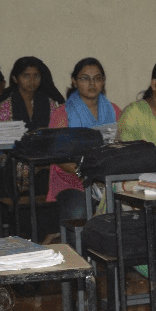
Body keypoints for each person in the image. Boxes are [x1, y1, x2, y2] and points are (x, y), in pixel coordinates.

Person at [46, 57, 120, 224]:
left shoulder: (114, 111)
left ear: (103, 81)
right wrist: (85, 173)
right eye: (85, 78)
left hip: (107, 178)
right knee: (79, 210)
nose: (92, 84)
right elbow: (57, 154)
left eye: (97, 78)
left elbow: (122, 146)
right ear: (74, 81)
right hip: (72, 178)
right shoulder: (62, 114)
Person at [0, 57, 62, 132]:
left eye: (36, 75)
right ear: (15, 79)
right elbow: (4, 135)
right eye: (26, 76)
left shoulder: (50, 103)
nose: (32, 80)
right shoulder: (6, 106)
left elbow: (56, 131)